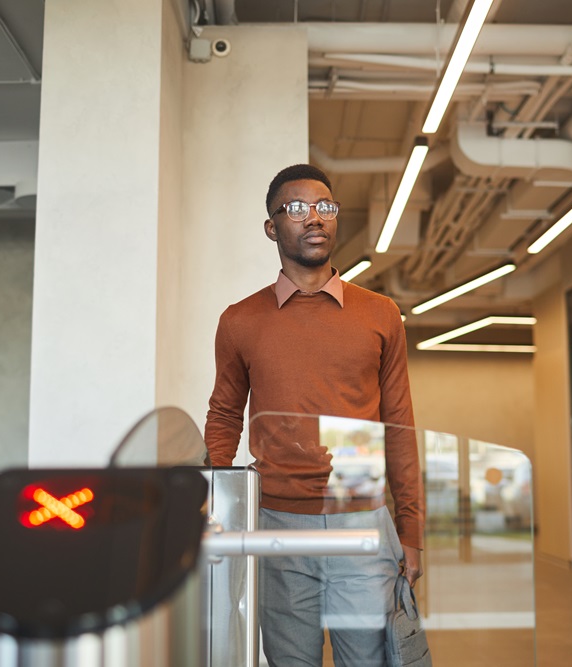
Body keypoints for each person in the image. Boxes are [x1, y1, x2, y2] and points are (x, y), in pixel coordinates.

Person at [204, 163, 424, 667]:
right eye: (297, 208)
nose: (314, 218)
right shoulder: (240, 320)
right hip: (276, 523)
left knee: (368, 661)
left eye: (325, 207)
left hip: (362, 518)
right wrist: (219, 507)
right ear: (272, 227)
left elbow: (399, 423)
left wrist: (409, 531)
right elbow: (224, 415)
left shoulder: (380, 313)